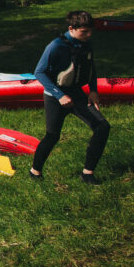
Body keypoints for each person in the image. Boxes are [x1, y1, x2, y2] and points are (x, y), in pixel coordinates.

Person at [29, 11, 110, 185]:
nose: (88, 36)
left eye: (90, 32)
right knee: (52, 136)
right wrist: (59, 95)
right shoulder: (56, 46)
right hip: (55, 97)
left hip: (77, 94)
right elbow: (39, 72)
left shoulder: (85, 44)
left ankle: (87, 173)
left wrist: (93, 90)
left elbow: (91, 68)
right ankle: (35, 172)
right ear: (71, 28)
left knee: (102, 127)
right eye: (84, 32)